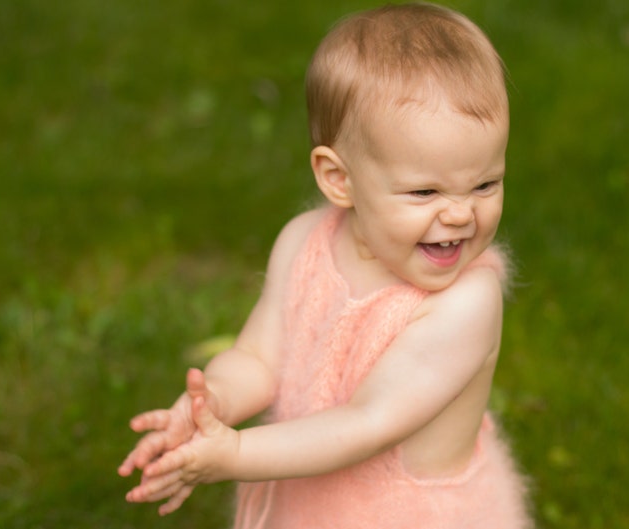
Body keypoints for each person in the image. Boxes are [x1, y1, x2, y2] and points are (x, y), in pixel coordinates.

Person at [118, 3, 532, 528]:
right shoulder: (302, 243)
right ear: (339, 179)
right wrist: (214, 405)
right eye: (424, 190)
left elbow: (368, 423)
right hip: (312, 503)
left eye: (485, 184)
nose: (459, 213)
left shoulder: (466, 303)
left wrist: (237, 455)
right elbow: (260, 358)